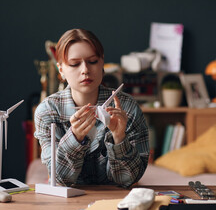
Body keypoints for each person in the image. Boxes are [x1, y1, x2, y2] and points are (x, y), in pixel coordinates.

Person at [34, 29, 149, 188]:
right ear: (61, 69)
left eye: (93, 61)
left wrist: (119, 138)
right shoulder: (47, 111)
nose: (85, 70)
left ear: (102, 62)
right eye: (74, 64)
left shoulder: (127, 108)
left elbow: (127, 179)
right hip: (67, 203)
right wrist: (74, 138)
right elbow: (60, 179)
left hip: (117, 203)